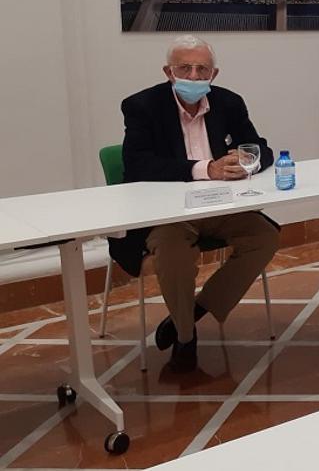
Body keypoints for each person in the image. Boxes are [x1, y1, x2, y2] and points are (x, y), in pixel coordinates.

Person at [111, 35, 280, 373]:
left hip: (220, 207)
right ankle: (186, 338)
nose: (193, 75)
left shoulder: (229, 103)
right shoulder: (142, 106)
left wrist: (244, 159)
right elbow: (138, 165)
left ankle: (197, 310)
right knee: (174, 252)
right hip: (168, 213)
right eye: (184, 68)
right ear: (168, 72)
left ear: (213, 75)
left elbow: (262, 149)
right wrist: (205, 169)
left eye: (201, 69)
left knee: (265, 236)